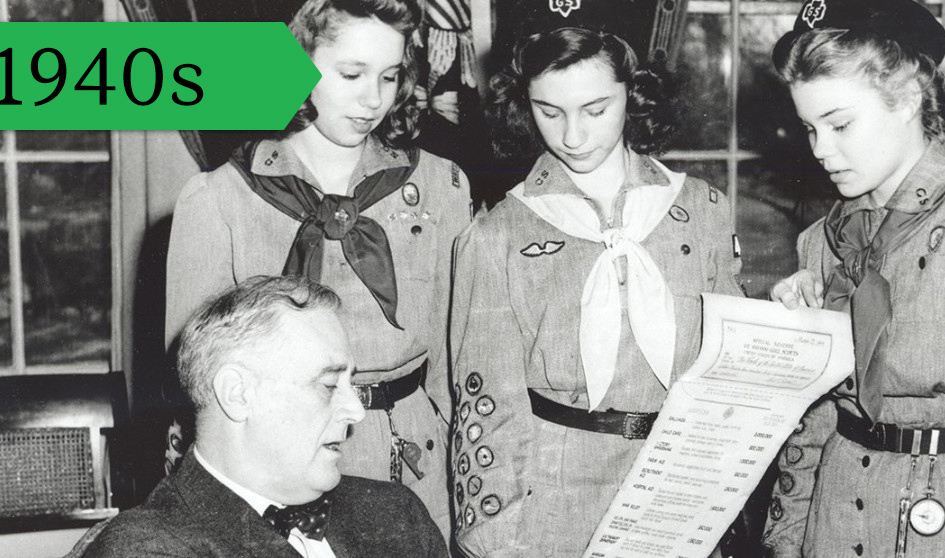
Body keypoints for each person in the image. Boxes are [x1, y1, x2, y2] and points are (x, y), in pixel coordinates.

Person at [761, 1, 945, 556]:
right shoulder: (822, 244)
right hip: (829, 525)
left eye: (840, 124)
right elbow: (813, 423)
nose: (821, 151)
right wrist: (787, 541)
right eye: (810, 128)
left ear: (906, 96)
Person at [163, 0, 470, 537]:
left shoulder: (444, 189)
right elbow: (198, 392)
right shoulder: (217, 199)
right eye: (351, 73)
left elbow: (455, 364)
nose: (373, 99)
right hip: (281, 472)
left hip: (419, 468)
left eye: (390, 75)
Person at [448, 26, 744, 557]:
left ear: (635, 94)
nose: (573, 136)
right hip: (555, 505)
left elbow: (730, 377)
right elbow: (487, 406)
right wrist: (493, 541)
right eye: (549, 111)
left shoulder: (702, 210)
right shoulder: (498, 234)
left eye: (596, 108)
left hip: (681, 495)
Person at [85, 276, 448, 557]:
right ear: (237, 394)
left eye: (350, 382)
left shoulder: (397, 512)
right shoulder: (145, 548)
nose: (356, 410)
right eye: (327, 385)